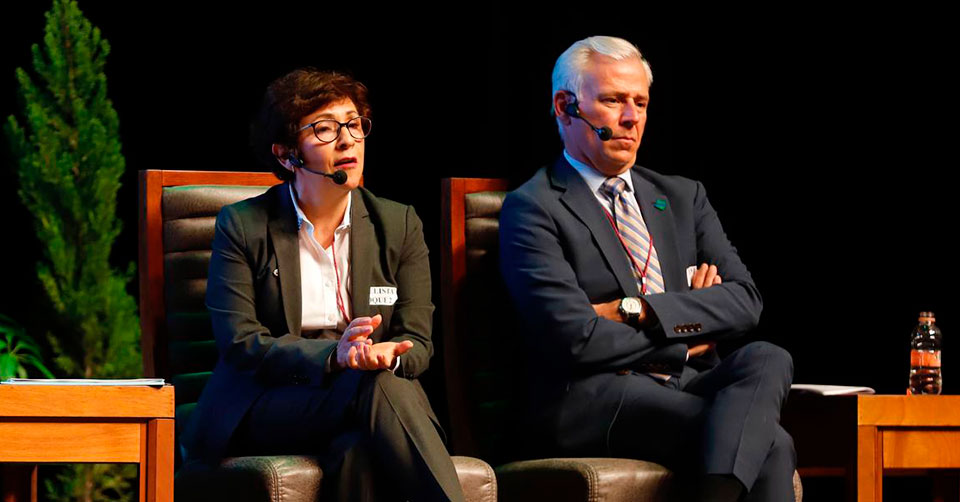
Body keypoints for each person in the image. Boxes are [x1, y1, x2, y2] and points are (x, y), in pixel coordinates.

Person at [498, 36, 795, 501]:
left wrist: (635, 309)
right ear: (565, 107)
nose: (631, 118)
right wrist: (687, 332)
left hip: (684, 385)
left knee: (769, 357)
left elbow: (745, 301)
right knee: (771, 443)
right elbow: (575, 337)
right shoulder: (534, 206)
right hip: (595, 396)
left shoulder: (682, 197)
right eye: (613, 100)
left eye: (640, 103)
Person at [180, 68, 464, 502]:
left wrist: (388, 355)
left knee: (358, 448)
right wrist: (335, 356)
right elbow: (240, 343)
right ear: (286, 155)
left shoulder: (398, 223)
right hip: (269, 400)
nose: (348, 141)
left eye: (354, 124)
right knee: (375, 388)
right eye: (325, 129)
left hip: (365, 395)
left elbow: (418, 341)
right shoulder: (243, 225)